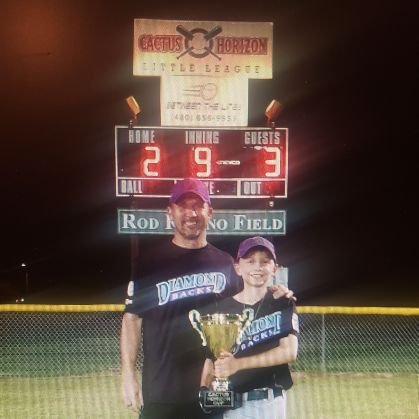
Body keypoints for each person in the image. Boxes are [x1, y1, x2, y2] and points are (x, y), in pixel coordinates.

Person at [120, 179, 294, 419]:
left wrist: (276, 292)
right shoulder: (150, 263)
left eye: (198, 206)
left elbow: (248, 299)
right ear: (170, 212)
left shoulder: (224, 263)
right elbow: (132, 320)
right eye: (183, 206)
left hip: (214, 391)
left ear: (209, 212)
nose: (191, 213)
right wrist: (128, 375)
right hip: (161, 390)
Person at [200, 236, 299, 419]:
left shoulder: (282, 302)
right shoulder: (222, 308)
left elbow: (289, 352)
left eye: (265, 261)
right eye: (250, 261)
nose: (258, 267)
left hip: (269, 402)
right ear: (238, 267)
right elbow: (211, 357)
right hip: (231, 404)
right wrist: (204, 388)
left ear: (274, 268)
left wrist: (238, 364)